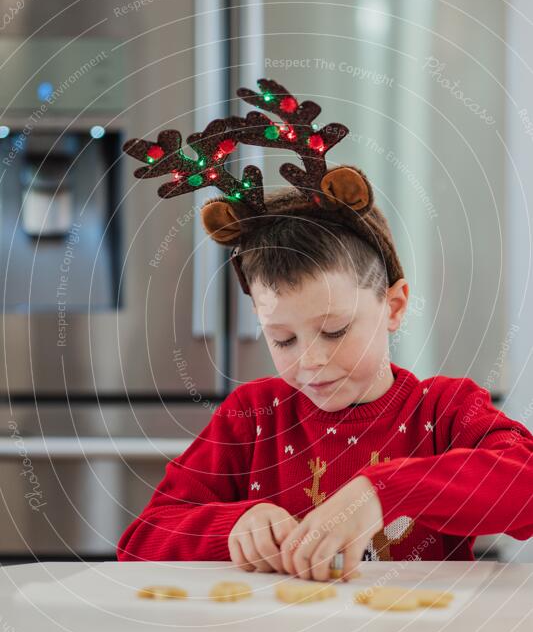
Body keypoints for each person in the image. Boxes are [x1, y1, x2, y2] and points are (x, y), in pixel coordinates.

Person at [117, 78, 533, 580]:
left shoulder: (443, 412)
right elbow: (141, 539)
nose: (310, 360)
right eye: (283, 339)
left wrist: (382, 490)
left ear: (394, 305)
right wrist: (233, 526)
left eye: (334, 330)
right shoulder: (251, 418)